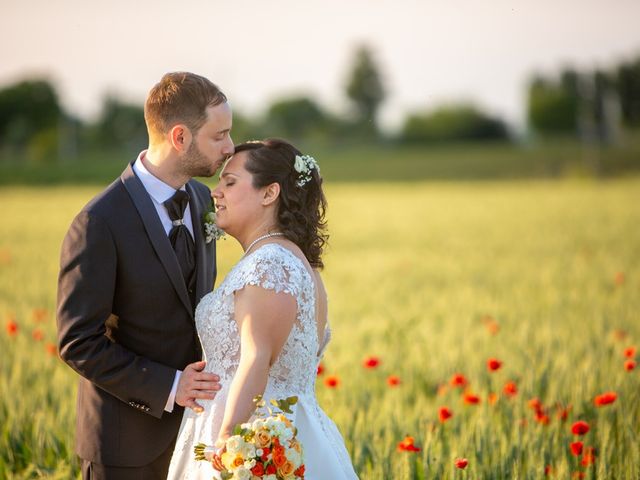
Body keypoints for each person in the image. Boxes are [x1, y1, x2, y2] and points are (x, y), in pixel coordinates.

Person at [56, 72, 234, 479]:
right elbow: (77, 341)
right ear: (180, 138)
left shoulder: (205, 200)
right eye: (219, 135)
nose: (230, 147)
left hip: (195, 441)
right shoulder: (99, 221)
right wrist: (170, 386)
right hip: (123, 449)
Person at [167, 139, 358, 479]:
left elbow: (257, 358)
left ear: (269, 193)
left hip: (258, 438)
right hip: (286, 428)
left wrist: (228, 441)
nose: (215, 193)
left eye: (230, 182)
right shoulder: (294, 262)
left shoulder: (270, 264)